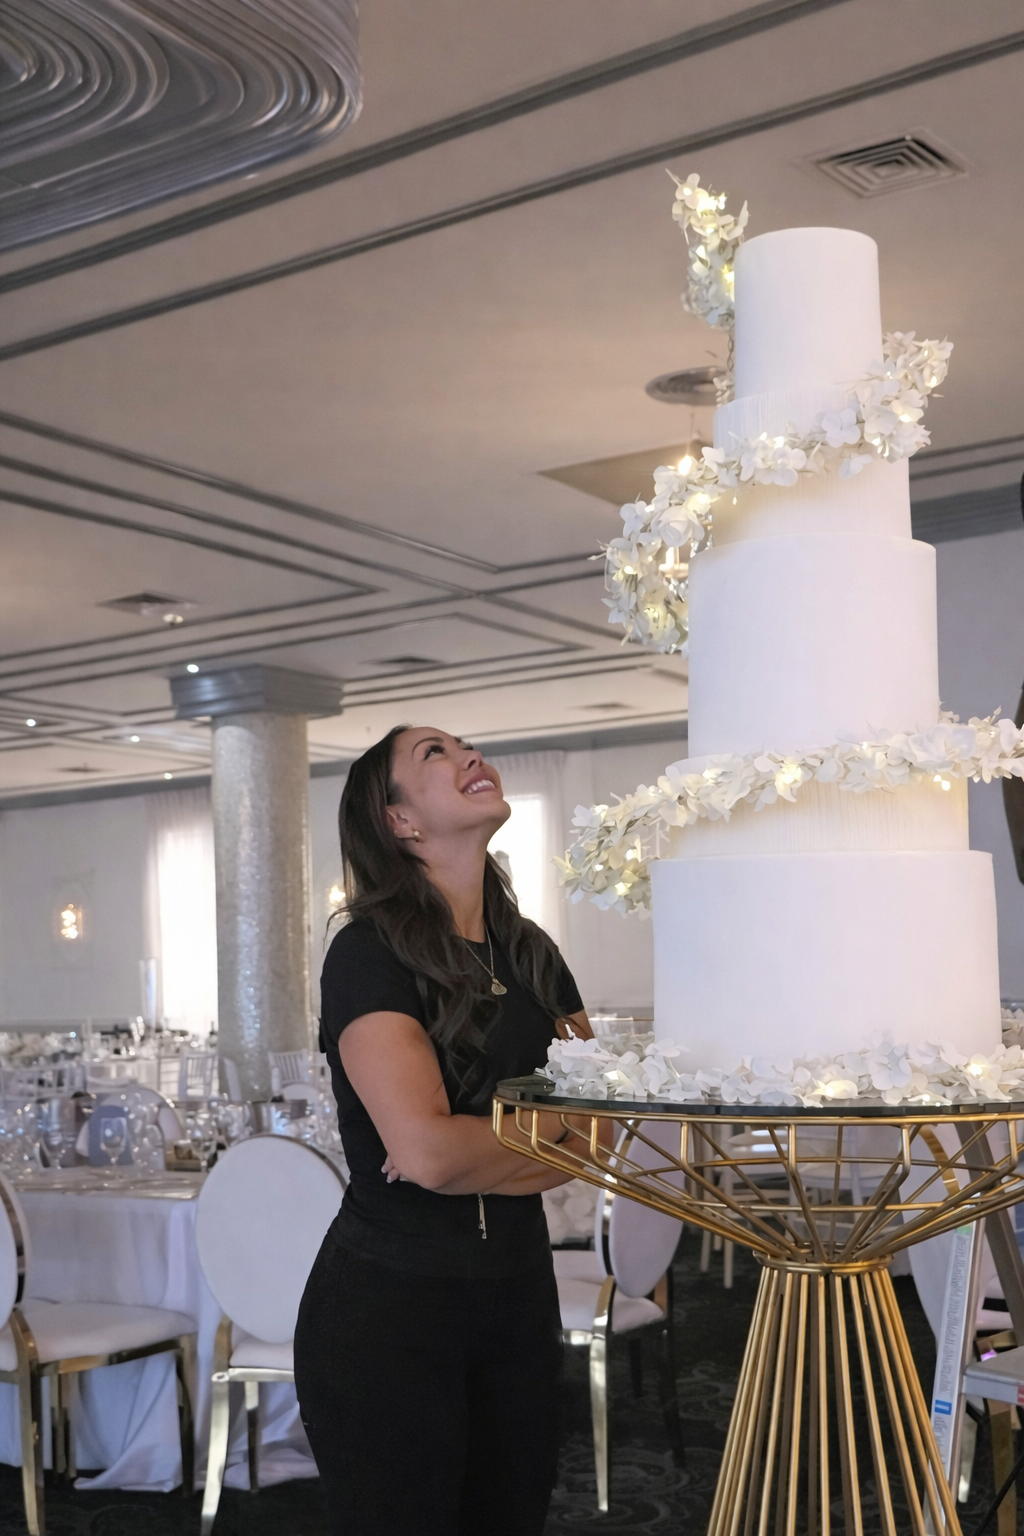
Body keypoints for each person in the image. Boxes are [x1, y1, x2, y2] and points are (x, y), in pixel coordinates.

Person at [294, 724, 593, 1536]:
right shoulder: (367, 953)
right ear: (398, 822)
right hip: (389, 1310)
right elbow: (427, 1157)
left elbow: (603, 1139)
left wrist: (461, 1151)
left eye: (466, 745)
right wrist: (532, 1142)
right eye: (434, 753)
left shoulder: (534, 955)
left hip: (521, 1298)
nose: (468, 755)